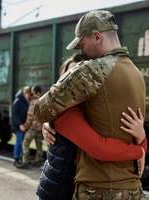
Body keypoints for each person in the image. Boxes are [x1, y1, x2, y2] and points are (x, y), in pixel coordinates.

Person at [34, 10, 148, 199]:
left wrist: (51, 119)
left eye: (82, 43)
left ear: (96, 36)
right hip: (132, 188)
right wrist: (141, 146)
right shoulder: (136, 73)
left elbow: (40, 110)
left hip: (98, 189)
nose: (81, 50)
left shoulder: (93, 70)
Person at [17, 85, 43, 169]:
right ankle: (38, 161)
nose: (31, 92)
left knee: (25, 143)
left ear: (36, 92)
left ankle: (25, 162)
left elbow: (30, 116)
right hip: (40, 127)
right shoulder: (43, 100)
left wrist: (25, 126)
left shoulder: (33, 101)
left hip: (33, 128)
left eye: (33, 91)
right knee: (39, 145)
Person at [12, 86, 31, 167]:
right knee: (19, 142)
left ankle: (20, 158)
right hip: (18, 126)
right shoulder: (18, 101)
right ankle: (16, 159)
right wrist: (20, 124)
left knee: (22, 142)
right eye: (27, 93)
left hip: (24, 125)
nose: (29, 95)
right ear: (24, 93)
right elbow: (15, 115)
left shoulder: (26, 101)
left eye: (29, 94)